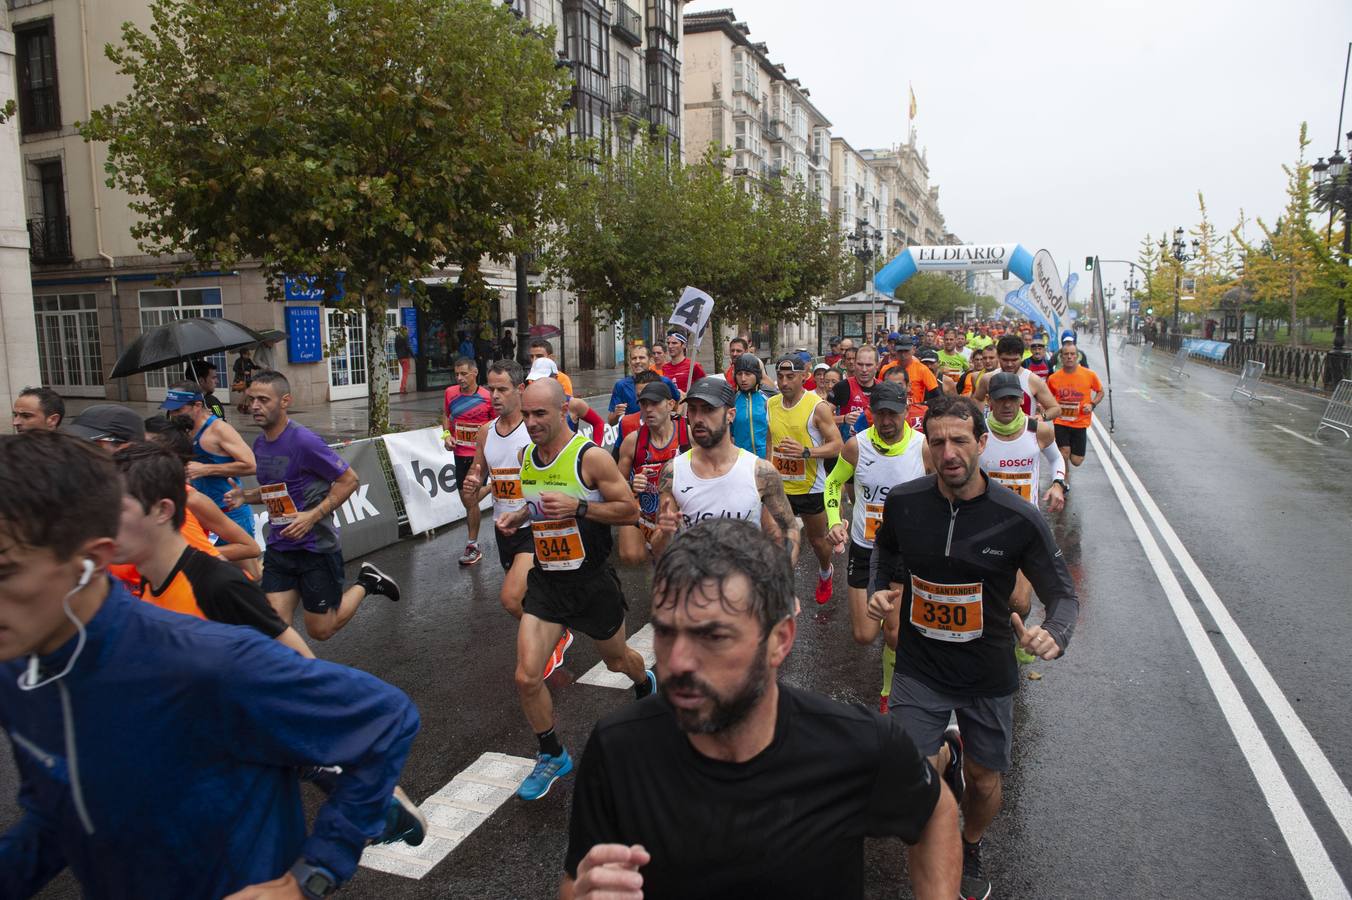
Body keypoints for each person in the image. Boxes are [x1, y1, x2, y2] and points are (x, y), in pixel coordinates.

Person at [0, 431, 421, 899]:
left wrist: (313, 874)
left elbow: (373, 708)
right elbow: (57, 810)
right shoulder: (19, 672)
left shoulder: (207, 642)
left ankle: (368, 787)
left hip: (258, 697)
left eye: (4, 570)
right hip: (237, 719)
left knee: (319, 633)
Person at [561, 520, 960, 900]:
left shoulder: (857, 746)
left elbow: (935, 810)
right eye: (666, 631)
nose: (677, 661)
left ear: (780, 640)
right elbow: (576, 881)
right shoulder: (617, 750)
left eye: (713, 635)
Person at [867, 395, 1080, 900]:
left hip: (986, 670)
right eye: (937, 441)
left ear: (981, 444)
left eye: (960, 440)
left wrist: (1057, 632)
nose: (948, 453)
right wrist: (878, 585)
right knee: (908, 781)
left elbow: (1063, 594)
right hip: (920, 666)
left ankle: (972, 840)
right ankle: (940, 783)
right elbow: (886, 548)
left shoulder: (1017, 516)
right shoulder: (905, 502)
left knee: (984, 784)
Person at [490, 378, 653, 800]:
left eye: (540, 413)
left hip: (592, 582)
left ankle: (644, 682)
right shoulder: (527, 456)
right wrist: (518, 520)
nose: (530, 422)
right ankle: (551, 753)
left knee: (618, 662)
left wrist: (581, 506)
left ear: (564, 411)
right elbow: (536, 509)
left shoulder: (591, 457)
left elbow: (630, 510)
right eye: (526, 414)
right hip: (547, 582)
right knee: (526, 676)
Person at [226, 371, 401, 641]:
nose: (255, 406)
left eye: (263, 399)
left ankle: (367, 582)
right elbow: (278, 489)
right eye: (252, 399)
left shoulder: (304, 441)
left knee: (321, 630)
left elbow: (349, 480)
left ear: (285, 401)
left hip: (315, 548)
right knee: (274, 629)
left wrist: (311, 516)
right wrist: (245, 496)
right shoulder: (260, 443)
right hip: (280, 548)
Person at [111, 442, 311, 657]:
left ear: (163, 510)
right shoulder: (147, 582)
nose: (101, 521)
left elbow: (306, 667)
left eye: (117, 508)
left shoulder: (219, 584)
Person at [460, 360, 574, 678]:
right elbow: (477, 483)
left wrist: (528, 510)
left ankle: (552, 638)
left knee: (511, 598)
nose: (494, 396)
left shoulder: (534, 429)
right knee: (525, 597)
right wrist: (472, 486)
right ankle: (554, 629)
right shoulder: (485, 433)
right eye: (491, 389)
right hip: (503, 528)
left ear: (519, 390)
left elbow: (556, 476)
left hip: (534, 525)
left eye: (502, 389)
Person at [824, 382, 930, 714]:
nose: (885, 421)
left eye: (892, 414)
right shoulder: (857, 446)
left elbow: (943, 491)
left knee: (895, 635)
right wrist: (833, 520)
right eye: (879, 413)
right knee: (864, 635)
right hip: (865, 549)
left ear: (906, 412)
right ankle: (889, 621)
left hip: (902, 552)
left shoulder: (923, 448)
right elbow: (833, 482)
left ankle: (889, 692)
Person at [652, 377, 798, 561]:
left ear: (731, 415)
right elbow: (658, 551)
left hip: (747, 583)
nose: (697, 419)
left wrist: (780, 577)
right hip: (697, 584)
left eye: (708, 410)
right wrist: (665, 534)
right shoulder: (673, 472)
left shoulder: (760, 472)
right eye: (693, 410)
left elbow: (789, 529)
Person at [979, 372, 1068, 621]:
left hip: (1024, 527)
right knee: (987, 594)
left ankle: (1017, 636)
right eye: (1000, 399)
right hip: (986, 525)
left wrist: (1059, 484)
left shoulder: (1039, 430)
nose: (1007, 404)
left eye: (1012, 398)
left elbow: (1056, 458)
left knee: (1018, 601)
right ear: (990, 401)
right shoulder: (979, 434)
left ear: (1021, 400)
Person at [142, 414, 263, 579]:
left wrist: (187, 557)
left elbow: (251, 465)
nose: (135, 452)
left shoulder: (218, 430)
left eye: (144, 448)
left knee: (251, 575)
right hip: (163, 589)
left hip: (229, 508)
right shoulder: (138, 492)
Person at [768, 356, 844, 604]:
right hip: (781, 487)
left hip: (811, 487)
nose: (784, 382)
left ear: (804, 377)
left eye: (791, 377)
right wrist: (769, 469)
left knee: (818, 542)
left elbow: (837, 445)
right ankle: (782, 591)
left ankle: (825, 571)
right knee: (780, 540)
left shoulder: (817, 406)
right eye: (780, 377)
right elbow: (771, 440)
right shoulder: (771, 404)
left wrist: (806, 452)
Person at [161, 383, 258, 544]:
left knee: (242, 567)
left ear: (197, 406)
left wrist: (206, 469)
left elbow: (252, 465)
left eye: (178, 410)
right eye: (171, 410)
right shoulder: (183, 431)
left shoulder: (219, 429)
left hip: (229, 513)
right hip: (200, 514)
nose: (173, 415)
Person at [614, 381, 688, 565]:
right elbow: (615, 486)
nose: (648, 409)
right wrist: (632, 485)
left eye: (655, 403)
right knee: (631, 556)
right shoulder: (633, 441)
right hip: (647, 510)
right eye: (644, 404)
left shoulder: (688, 434)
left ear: (671, 404)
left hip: (680, 509)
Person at [443, 355, 494, 566]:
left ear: (475, 373)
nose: (459, 378)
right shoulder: (450, 393)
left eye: (464, 374)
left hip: (479, 456)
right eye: (456, 374)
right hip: (459, 455)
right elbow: (446, 417)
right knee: (467, 500)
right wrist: (446, 435)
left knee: (470, 499)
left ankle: (472, 545)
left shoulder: (488, 397)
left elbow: (495, 424)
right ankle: (493, 487)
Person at [1046, 341, 1104, 486]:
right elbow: (1046, 395)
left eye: (1073, 354)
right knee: (1064, 452)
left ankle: (1069, 464)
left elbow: (1100, 392)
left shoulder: (1089, 374)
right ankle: (1064, 479)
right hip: (1061, 421)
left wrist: (1092, 404)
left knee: (1076, 460)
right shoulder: (1054, 378)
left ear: (1077, 357)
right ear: (1061, 357)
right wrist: (1044, 407)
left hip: (1080, 422)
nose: (1069, 357)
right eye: (1066, 354)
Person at [973, 335, 1062, 420]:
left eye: (1014, 360)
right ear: (998, 357)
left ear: (1022, 357)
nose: (1009, 364)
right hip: (994, 433)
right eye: (1005, 360)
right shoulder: (988, 379)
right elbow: (977, 399)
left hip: (1026, 434)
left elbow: (1055, 409)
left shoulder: (1033, 380)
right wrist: (981, 421)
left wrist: (1041, 417)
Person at [527, 358, 605, 444]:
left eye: (543, 380)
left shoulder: (573, 404)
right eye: (534, 380)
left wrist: (597, 448)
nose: (538, 385)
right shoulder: (527, 406)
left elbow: (598, 423)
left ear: (555, 378)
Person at [608, 345, 680, 426]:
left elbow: (677, 402)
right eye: (634, 358)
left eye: (641, 357)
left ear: (650, 360)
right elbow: (611, 422)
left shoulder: (664, 381)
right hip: (632, 434)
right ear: (629, 362)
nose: (637, 361)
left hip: (658, 434)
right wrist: (616, 415)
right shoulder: (621, 385)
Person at [830, 344, 880, 435]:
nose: (864, 369)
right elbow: (820, 418)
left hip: (874, 446)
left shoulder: (883, 389)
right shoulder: (842, 386)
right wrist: (843, 418)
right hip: (849, 446)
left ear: (877, 366)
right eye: (860, 364)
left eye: (869, 365)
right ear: (855, 364)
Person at [730, 354, 770, 458]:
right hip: (741, 461)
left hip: (766, 460)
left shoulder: (769, 398)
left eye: (748, 374)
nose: (743, 378)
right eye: (739, 374)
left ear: (757, 375)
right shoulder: (731, 401)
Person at [879, 342, 942, 406]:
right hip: (891, 409)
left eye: (906, 351)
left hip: (916, 411)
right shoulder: (886, 369)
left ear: (913, 350)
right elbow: (879, 392)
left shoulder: (922, 369)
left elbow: (937, 395)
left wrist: (922, 405)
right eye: (900, 351)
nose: (903, 355)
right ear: (896, 351)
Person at [661, 329, 706, 394]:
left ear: (684, 345)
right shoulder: (665, 367)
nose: (670, 346)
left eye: (674, 343)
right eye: (668, 343)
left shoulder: (694, 366)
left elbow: (704, 388)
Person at [395, 325, 413, 394]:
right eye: (407, 330)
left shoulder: (397, 337)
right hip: (405, 357)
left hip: (400, 358)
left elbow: (396, 347)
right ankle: (402, 389)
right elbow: (408, 347)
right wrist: (413, 355)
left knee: (404, 373)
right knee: (405, 373)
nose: (408, 331)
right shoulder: (405, 337)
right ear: (404, 330)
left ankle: (403, 388)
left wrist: (398, 355)